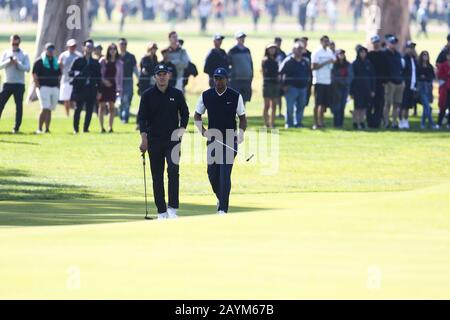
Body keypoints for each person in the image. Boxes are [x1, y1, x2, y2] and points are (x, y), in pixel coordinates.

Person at [137, 64, 189, 220]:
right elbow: (142, 118)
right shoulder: (147, 95)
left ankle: (172, 208)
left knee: (173, 171)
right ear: (155, 77)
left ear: (169, 76)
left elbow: (185, 114)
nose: (162, 76)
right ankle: (161, 211)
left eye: (164, 74)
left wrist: (181, 130)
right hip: (154, 140)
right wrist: (144, 139)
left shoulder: (177, 94)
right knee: (157, 176)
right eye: (159, 74)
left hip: (173, 140)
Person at [194, 67, 247, 215]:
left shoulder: (235, 96)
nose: (218, 81)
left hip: (230, 139)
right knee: (212, 173)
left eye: (221, 78)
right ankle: (220, 197)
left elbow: (242, 118)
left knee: (224, 172)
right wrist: (203, 131)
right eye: (216, 78)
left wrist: (241, 134)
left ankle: (223, 208)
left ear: (226, 79)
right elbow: (197, 115)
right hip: (213, 139)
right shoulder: (206, 95)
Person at [0, 34, 30, 134]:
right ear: (10, 42)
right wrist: (9, 61)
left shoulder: (24, 54)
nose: (14, 45)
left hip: (19, 84)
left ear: (19, 43)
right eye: (13, 43)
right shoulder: (5, 53)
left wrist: (18, 63)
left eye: (16, 43)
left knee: (19, 107)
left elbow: (27, 68)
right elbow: (0, 66)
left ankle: (16, 128)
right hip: (7, 83)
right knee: (0, 104)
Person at [70, 39, 102, 134]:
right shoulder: (78, 60)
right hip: (80, 88)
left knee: (89, 110)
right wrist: (80, 74)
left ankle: (85, 129)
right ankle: (76, 129)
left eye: (91, 47)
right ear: (84, 48)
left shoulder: (96, 62)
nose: (89, 48)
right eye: (88, 46)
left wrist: (99, 90)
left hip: (91, 88)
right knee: (78, 109)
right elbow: (70, 73)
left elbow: (99, 77)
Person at [279, 41, 310, 128]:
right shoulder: (288, 61)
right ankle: (289, 123)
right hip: (291, 88)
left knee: (301, 107)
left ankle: (298, 123)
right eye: (298, 49)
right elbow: (280, 73)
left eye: (301, 49)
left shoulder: (306, 61)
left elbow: (308, 74)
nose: (300, 51)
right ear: (293, 50)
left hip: (303, 88)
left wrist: (307, 85)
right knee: (290, 108)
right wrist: (282, 86)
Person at [32, 43, 61, 134]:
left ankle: (47, 129)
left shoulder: (55, 62)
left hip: (54, 87)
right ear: (45, 50)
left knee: (50, 109)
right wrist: (38, 86)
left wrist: (58, 85)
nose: (51, 51)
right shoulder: (39, 61)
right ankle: (39, 128)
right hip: (43, 87)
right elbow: (34, 74)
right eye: (49, 50)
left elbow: (59, 74)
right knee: (44, 108)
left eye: (52, 50)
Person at [311, 35, 335, 129]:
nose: (326, 43)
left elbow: (333, 62)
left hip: (327, 81)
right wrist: (326, 62)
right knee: (318, 103)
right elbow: (313, 67)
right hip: (319, 81)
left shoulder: (329, 52)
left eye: (327, 41)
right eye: (325, 41)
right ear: (321, 41)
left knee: (324, 104)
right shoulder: (317, 52)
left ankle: (321, 122)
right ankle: (315, 123)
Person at [99, 43, 123, 133]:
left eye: (114, 49)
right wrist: (104, 81)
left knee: (112, 107)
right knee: (101, 107)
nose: (112, 51)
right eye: (110, 49)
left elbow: (120, 78)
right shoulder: (103, 60)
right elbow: (99, 74)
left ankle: (110, 127)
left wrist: (120, 89)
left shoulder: (120, 63)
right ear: (108, 50)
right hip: (103, 86)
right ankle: (101, 127)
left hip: (114, 86)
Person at [350, 46, 375, 129]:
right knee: (357, 107)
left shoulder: (368, 63)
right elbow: (352, 78)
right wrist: (351, 91)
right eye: (361, 52)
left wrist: (372, 89)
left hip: (367, 89)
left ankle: (362, 121)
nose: (363, 54)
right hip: (357, 89)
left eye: (364, 52)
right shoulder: (355, 64)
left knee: (364, 107)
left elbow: (372, 77)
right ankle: (355, 122)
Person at [383, 36, 404, 129]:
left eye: (395, 43)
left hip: (399, 82)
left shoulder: (398, 54)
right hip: (389, 82)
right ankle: (386, 122)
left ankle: (394, 122)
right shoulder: (384, 54)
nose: (393, 44)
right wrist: (385, 81)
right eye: (391, 42)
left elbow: (401, 68)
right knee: (387, 104)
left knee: (396, 104)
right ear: (388, 43)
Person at [367, 35, 387, 129]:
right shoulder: (369, 55)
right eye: (374, 43)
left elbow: (385, 69)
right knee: (370, 104)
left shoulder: (383, 55)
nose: (376, 44)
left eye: (377, 42)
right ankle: (370, 122)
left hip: (380, 84)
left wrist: (384, 81)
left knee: (379, 104)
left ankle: (377, 123)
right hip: (371, 84)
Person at [58, 39, 82, 117]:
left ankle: (76, 114)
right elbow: (60, 66)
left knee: (75, 98)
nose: (73, 47)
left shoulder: (79, 55)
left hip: (76, 80)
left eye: (74, 46)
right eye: (71, 46)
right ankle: (67, 115)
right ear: (68, 46)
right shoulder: (63, 55)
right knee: (66, 98)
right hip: (65, 79)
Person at [228, 31, 254, 105]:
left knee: (244, 99)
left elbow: (250, 64)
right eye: (240, 37)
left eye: (243, 37)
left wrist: (251, 75)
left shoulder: (247, 50)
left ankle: (242, 115)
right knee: (235, 99)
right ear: (236, 39)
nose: (242, 39)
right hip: (236, 79)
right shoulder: (232, 50)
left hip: (246, 79)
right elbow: (227, 64)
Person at [118, 38, 139, 123]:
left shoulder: (131, 56)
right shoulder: (116, 56)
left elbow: (135, 69)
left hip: (128, 80)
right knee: (120, 100)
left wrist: (139, 78)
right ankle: (121, 115)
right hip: (118, 81)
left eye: (124, 44)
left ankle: (125, 117)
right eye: (121, 44)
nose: (123, 46)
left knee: (127, 99)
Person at [331, 49, 351, 128]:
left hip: (345, 87)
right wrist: (339, 81)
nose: (341, 56)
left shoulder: (348, 64)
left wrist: (345, 81)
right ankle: (336, 123)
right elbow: (333, 76)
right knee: (337, 106)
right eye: (339, 54)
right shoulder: (334, 65)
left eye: (342, 54)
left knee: (342, 106)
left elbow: (350, 76)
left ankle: (341, 123)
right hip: (336, 87)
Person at [400, 41, 418, 130]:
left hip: (412, 85)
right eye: (410, 48)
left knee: (408, 105)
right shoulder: (403, 59)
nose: (411, 50)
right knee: (403, 104)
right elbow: (400, 72)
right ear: (406, 49)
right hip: (405, 85)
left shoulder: (414, 60)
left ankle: (406, 120)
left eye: (413, 48)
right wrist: (402, 82)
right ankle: (401, 120)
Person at [261, 43, 280, 128]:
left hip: (275, 84)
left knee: (274, 105)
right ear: (267, 50)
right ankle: (266, 123)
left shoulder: (277, 60)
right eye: (270, 48)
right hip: (268, 84)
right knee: (267, 105)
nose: (272, 50)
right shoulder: (265, 60)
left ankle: (272, 123)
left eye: (274, 48)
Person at [416, 50, 436, 129]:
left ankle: (422, 124)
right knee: (428, 107)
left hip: (428, 87)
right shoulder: (418, 66)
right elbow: (418, 76)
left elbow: (432, 76)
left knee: (426, 107)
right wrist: (423, 77)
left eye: (426, 55)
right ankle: (432, 123)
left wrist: (425, 77)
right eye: (424, 55)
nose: (425, 56)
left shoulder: (430, 66)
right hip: (421, 87)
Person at [436, 51, 450, 128]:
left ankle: (449, 123)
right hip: (445, 88)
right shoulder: (443, 65)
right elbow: (439, 76)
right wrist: (447, 74)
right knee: (443, 106)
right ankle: (439, 123)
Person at [274, 37, 286, 118]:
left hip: (281, 77)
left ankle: (279, 112)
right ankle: (273, 112)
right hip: (274, 77)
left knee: (280, 96)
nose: (278, 44)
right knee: (274, 96)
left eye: (279, 42)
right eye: (277, 42)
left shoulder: (282, 53)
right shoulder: (272, 53)